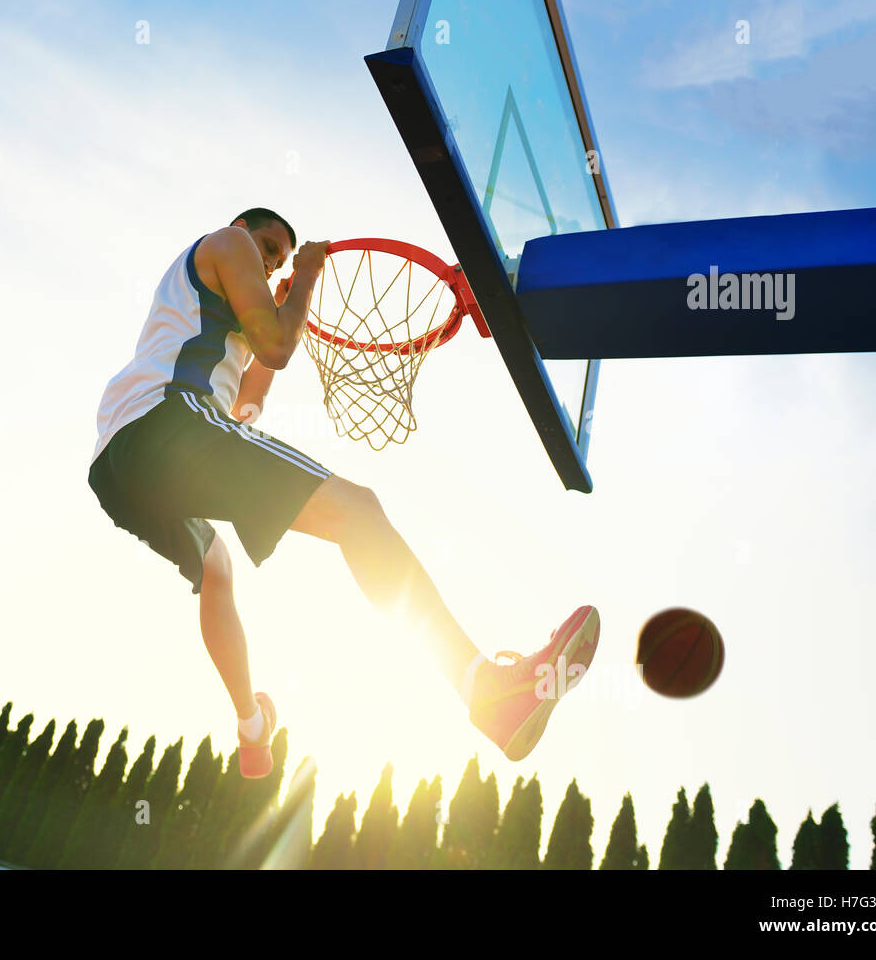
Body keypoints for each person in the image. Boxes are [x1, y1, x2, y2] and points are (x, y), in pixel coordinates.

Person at [88, 208, 600, 778]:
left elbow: (244, 409)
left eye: (280, 258)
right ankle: (485, 687)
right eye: (267, 246)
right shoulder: (226, 241)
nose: (268, 259)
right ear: (240, 228)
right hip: (165, 422)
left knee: (217, 568)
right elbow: (279, 347)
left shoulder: (206, 317)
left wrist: (281, 307)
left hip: (120, 467)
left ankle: (251, 726)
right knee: (360, 512)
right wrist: (305, 275)